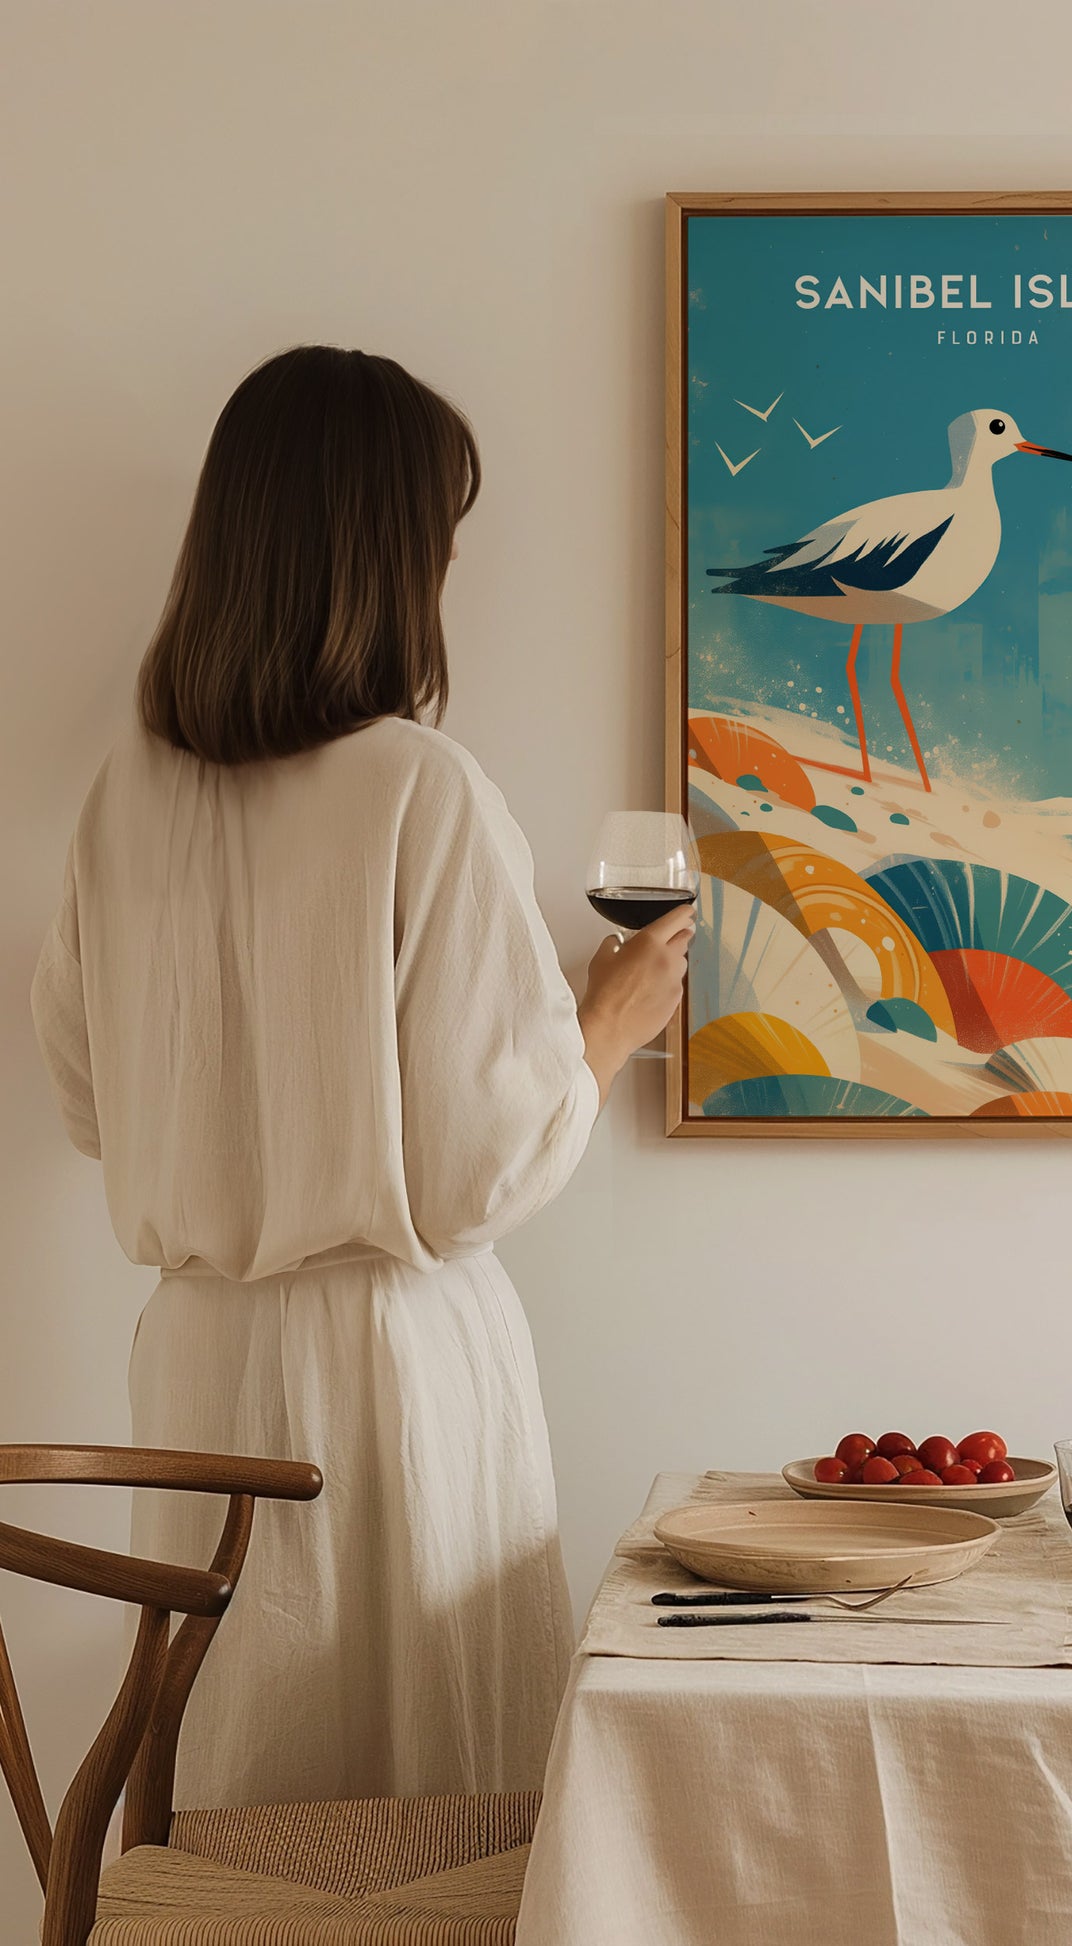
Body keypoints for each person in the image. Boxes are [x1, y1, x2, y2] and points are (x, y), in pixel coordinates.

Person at [29, 345, 690, 1806]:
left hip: (197, 1362)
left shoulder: (125, 796)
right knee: (427, 1805)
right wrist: (605, 1022)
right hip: (391, 1370)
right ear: (388, 553)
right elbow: (473, 1175)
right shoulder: (418, 785)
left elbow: (87, 1100)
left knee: (239, 1784)